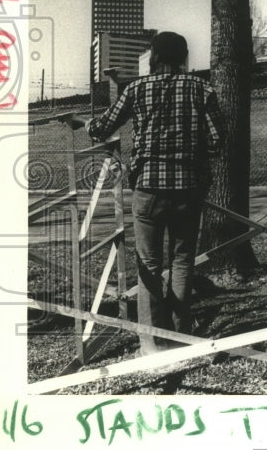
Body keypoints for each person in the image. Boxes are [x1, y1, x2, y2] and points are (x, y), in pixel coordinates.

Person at [87, 31, 224, 355]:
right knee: (182, 261)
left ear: (155, 57)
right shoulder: (202, 89)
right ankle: (181, 336)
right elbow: (218, 141)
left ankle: (152, 344)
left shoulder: (136, 89)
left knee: (148, 264)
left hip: (148, 188)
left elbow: (102, 128)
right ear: (184, 57)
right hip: (188, 188)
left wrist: (86, 123)